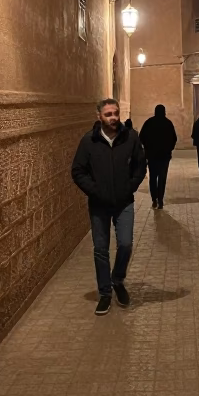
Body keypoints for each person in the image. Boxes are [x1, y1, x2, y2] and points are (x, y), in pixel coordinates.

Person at [71, 98, 147, 315]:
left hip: (124, 202)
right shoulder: (89, 141)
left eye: (115, 113)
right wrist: (95, 191)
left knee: (125, 244)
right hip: (99, 205)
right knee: (101, 250)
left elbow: (140, 165)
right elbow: (77, 171)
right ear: (99, 117)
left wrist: (130, 187)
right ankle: (105, 293)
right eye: (108, 114)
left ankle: (118, 280)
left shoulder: (130, 137)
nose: (113, 118)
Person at [138, 104, 177, 209]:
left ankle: (154, 199)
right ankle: (160, 199)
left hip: (152, 156)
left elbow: (141, 137)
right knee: (162, 177)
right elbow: (174, 138)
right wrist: (169, 149)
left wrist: (147, 147)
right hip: (164, 156)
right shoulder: (168, 123)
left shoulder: (149, 123)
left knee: (153, 177)